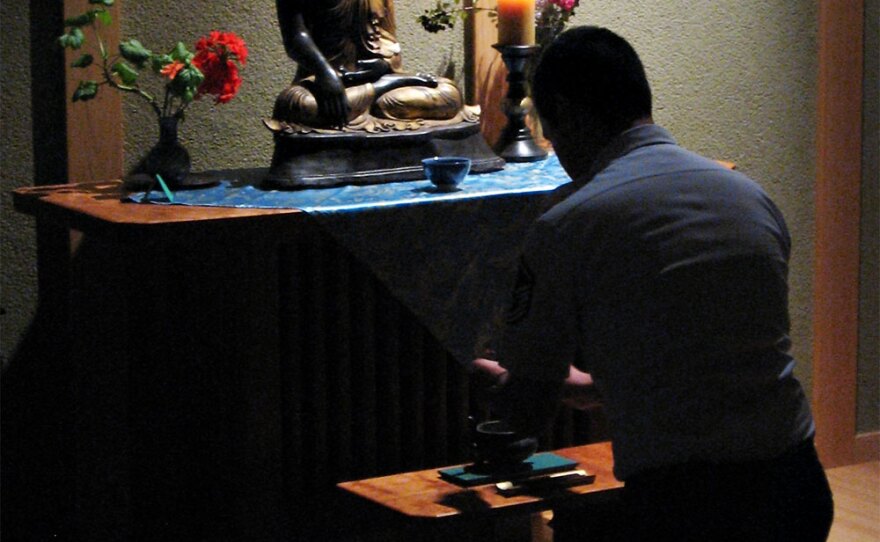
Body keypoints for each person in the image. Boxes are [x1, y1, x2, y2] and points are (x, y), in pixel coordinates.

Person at [470, 26, 834, 542]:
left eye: (550, 129)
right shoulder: (749, 197)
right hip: (797, 492)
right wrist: (595, 385)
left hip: (683, 508)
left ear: (568, 115)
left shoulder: (569, 224)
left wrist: (494, 390)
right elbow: (710, 361)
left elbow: (528, 411)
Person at [272, 0, 475, 130]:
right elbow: (295, 38)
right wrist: (325, 73)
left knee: (449, 92)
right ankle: (381, 91)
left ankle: (377, 92)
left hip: (372, 78)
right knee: (296, 105)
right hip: (324, 86)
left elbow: (388, 41)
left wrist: (383, 65)